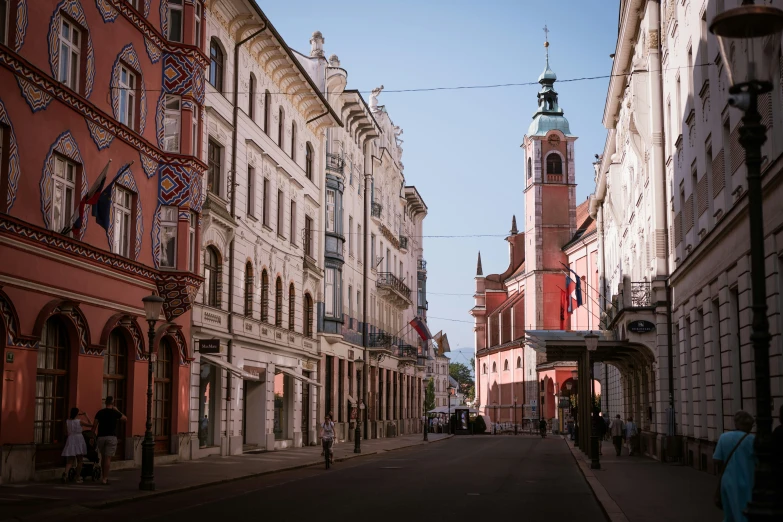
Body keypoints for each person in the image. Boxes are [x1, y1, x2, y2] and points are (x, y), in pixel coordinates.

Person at [714, 411, 756, 522]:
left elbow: (717, 459)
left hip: (727, 481)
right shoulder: (752, 440)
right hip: (746, 481)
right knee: (743, 513)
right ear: (747, 425)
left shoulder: (724, 437)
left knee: (729, 514)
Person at [93, 396, 126, 485]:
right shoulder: (114, 412)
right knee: (108, 458)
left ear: (105, 403)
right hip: (111, 437)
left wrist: (93, 436)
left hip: (101, 437)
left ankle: (103, 476)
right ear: (112, 403)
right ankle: (105, 478)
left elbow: (94, 426)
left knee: (103, 457)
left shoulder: (100, 412)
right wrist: (117, 410)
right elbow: (124, 418)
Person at [61, 407, 92, 483]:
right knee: (80, 460)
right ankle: (77, 477)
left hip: (71, 439)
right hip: (78, 439)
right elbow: (91, 425)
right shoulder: (79, 421)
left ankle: (65, 473)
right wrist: (86, 415)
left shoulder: (67, 421)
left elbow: (65, 432)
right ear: (77, 414)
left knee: (70, 460)